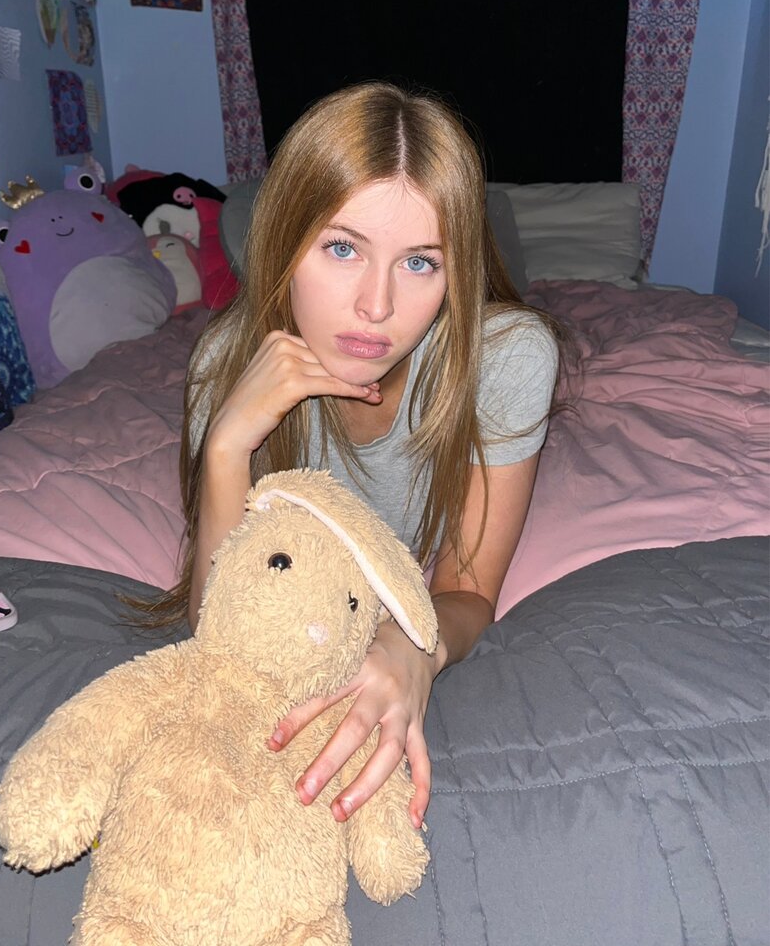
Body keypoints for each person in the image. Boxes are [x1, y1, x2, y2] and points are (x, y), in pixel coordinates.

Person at [150, 81, 563, 830]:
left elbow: (468, 592)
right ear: (285, 245)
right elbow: (217, 628)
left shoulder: (507, 358)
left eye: (420, 263)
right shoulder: (223, 364)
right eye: (342, 248)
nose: (377, 307)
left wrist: (412, 647)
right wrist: (227, 448)